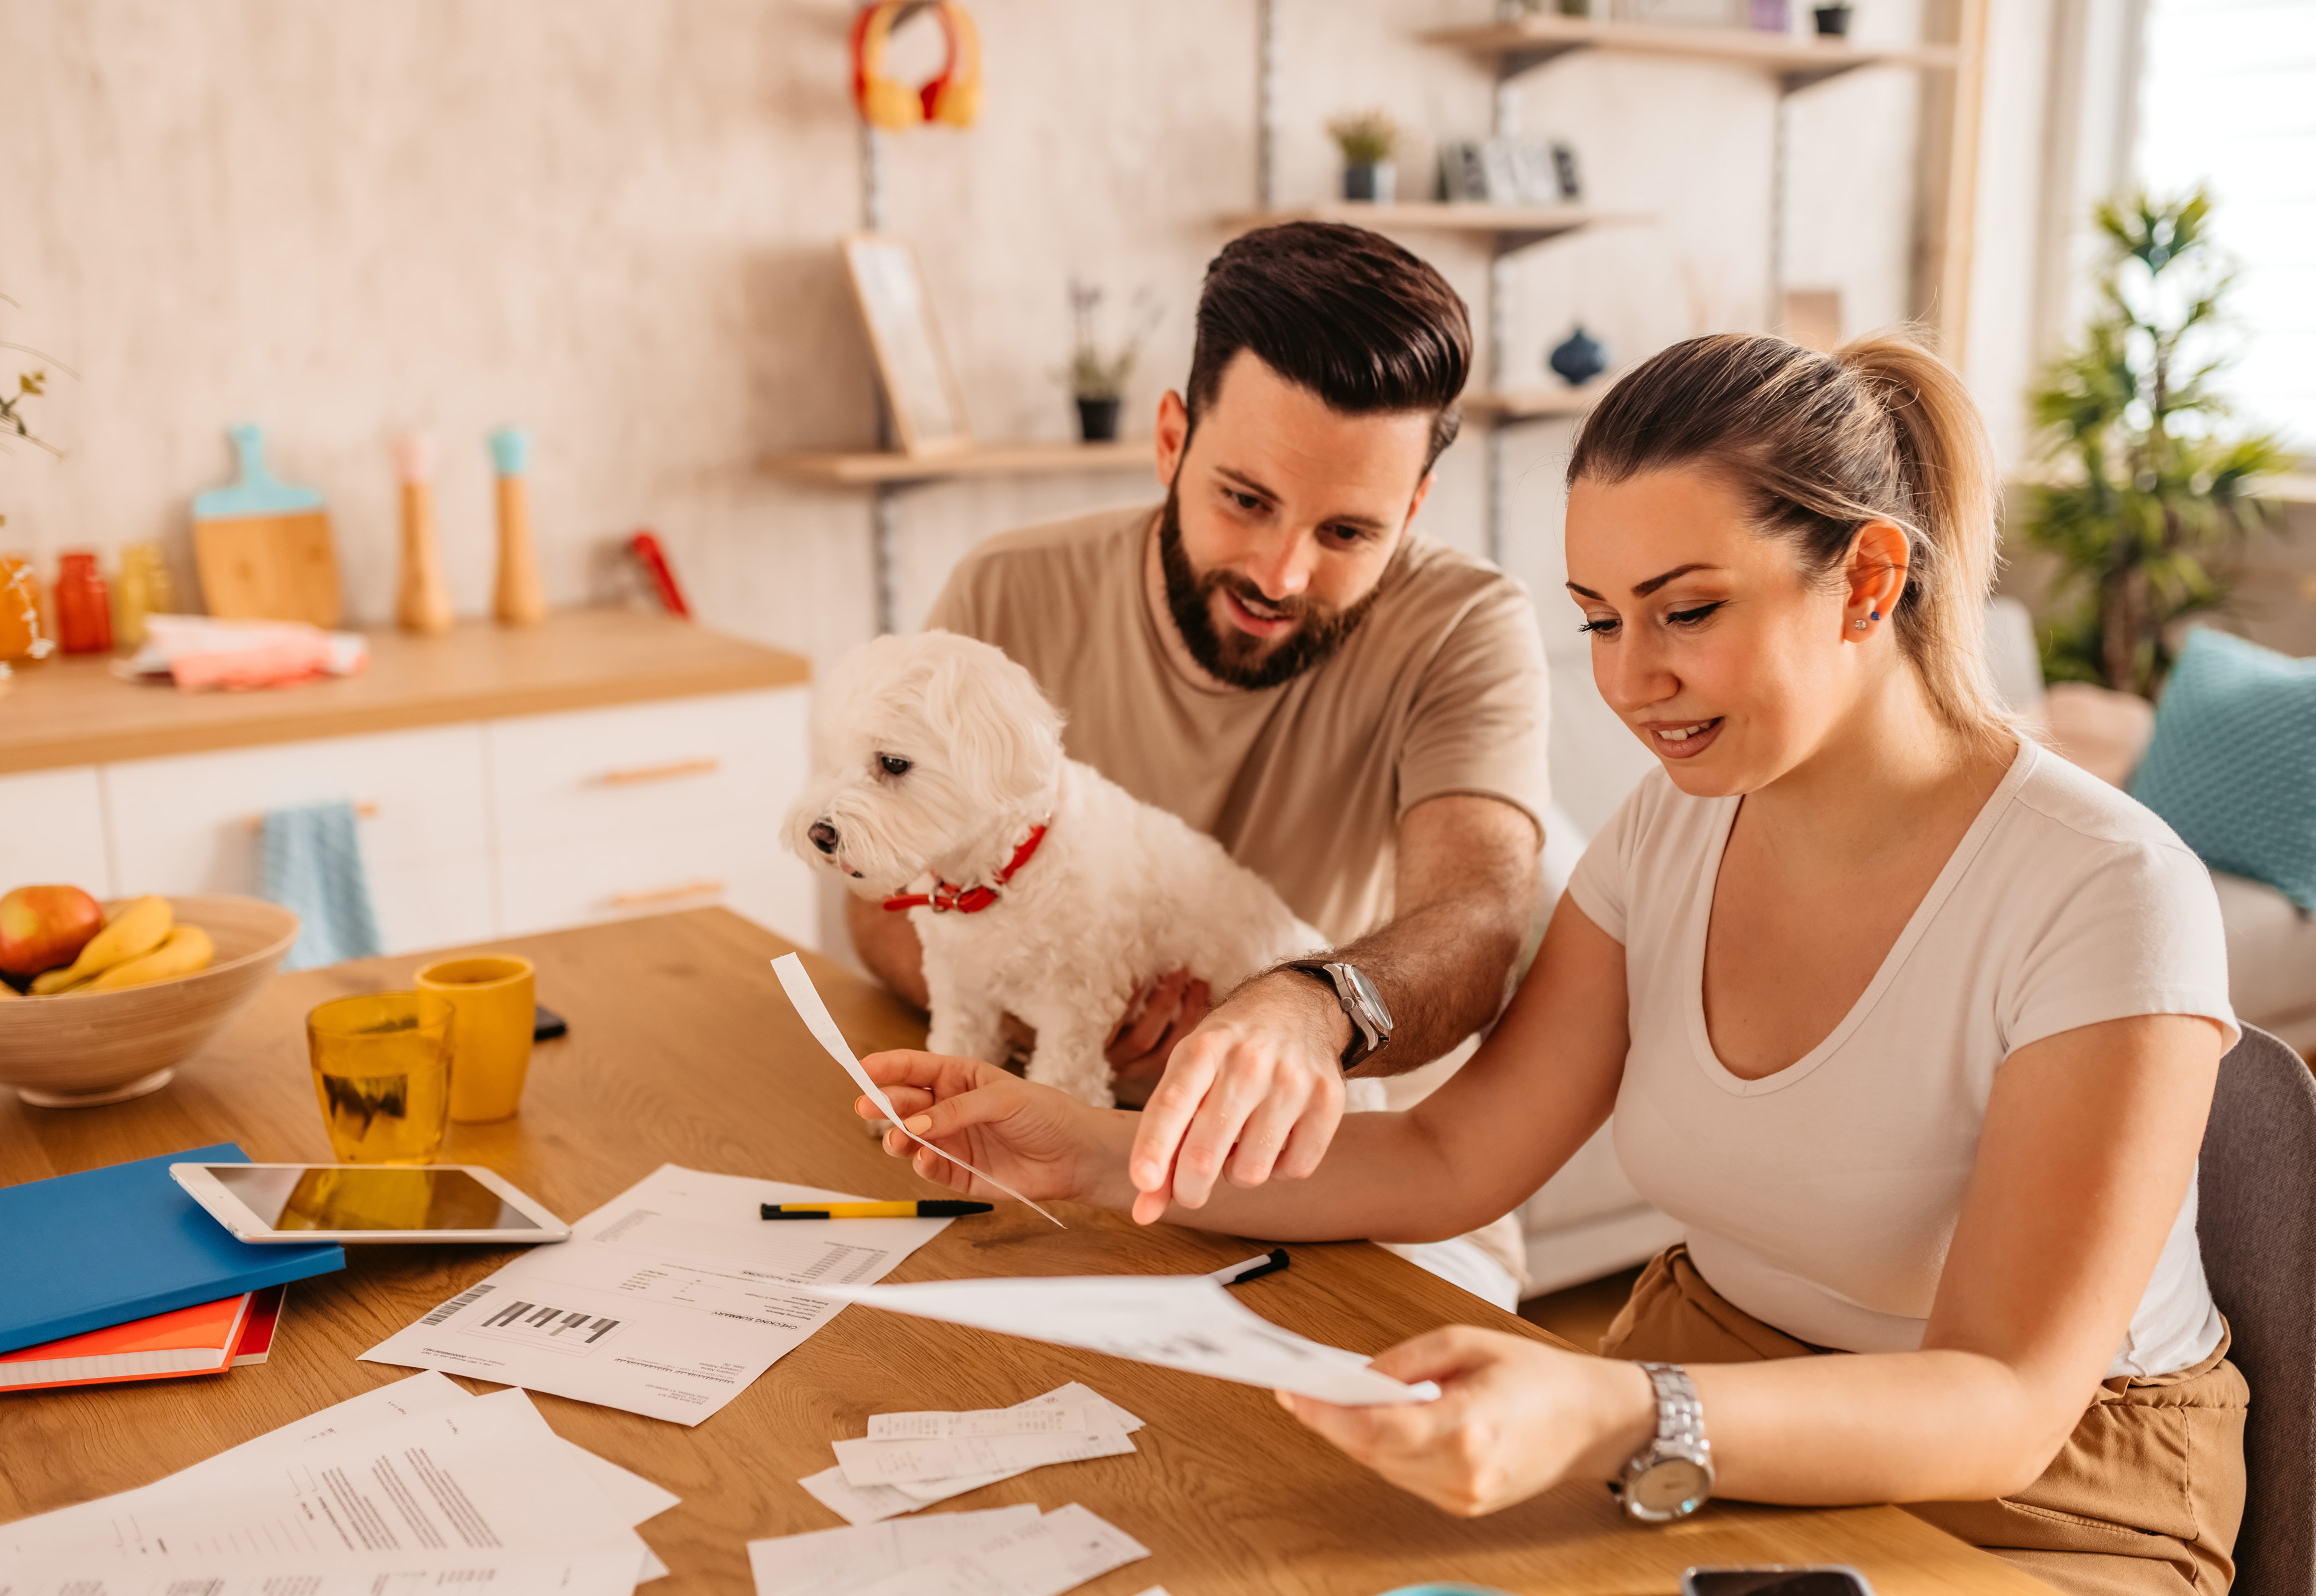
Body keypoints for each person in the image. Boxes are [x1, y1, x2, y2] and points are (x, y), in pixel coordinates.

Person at [846, 329, 2249, 1595]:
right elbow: (1456, 1153)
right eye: (1599, 616)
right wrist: (1096, 1148)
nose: (1631, 681)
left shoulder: (2106, 891)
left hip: (2039, 1497)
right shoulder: (1669, 828)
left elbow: (2003, 1398)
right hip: (1704, 1384)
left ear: (1868, 578)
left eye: (1686, 610)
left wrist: (1620, 1407)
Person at [850, 222, 1552, 1213]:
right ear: (1172, 439)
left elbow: (1478, 919)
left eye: (1349, 531)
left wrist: (1305, 1010)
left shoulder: (1466, 623)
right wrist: (1042, 1010)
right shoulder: (1008, 593)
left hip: (1340, 1179)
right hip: (1033, 1142)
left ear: (1417, 504)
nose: (1282, 575)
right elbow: (881, 883)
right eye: (1245, 499)